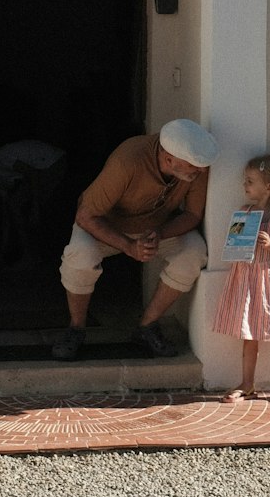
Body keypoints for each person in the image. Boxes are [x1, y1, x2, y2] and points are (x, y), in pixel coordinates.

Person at [53, 119, 218, 359]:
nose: (201, 171)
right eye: (194, 165)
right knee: (79, 255)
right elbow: (86, 216)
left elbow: (193, 214)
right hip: (105, 226)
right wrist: (128, 246)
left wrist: (160, 233)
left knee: (194, 251)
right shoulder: (128, 160)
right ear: (168, 158)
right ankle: (76, 328)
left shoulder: (196, 167)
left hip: (155, 228)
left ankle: (147, 326)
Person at [214, 153, 270, 402]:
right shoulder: (245, 212)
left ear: (269, 185)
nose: (244, 185)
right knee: (249, 332)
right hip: (246, 278)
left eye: (250, 181)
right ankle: (247, 383)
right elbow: (234, 242)